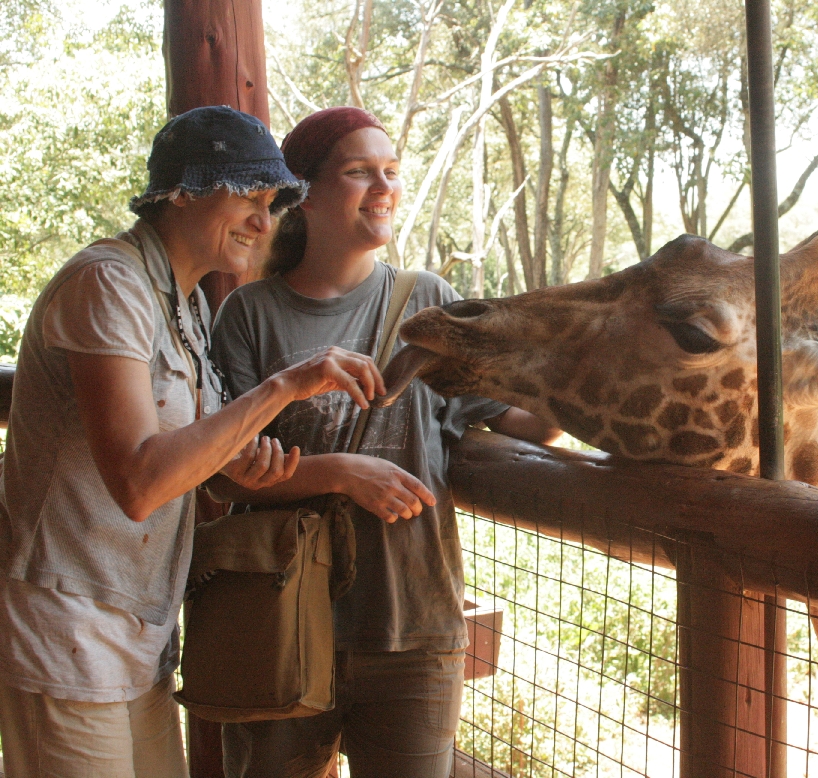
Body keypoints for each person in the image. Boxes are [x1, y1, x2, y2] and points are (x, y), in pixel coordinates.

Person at [0, 106, 389, 778]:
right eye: (248, 198)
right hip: (67, 631)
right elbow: (140, 483)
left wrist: (242, 466)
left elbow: (198, 461)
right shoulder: (108, 283)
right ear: (183, 192)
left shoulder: (186, 304)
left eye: (270, 205)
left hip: (142, 630)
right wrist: (285, 386)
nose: (264, 223)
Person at [209, 106, 559, 778]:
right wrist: (343, 473)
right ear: (305, 193)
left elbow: (523, 421)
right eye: (359, 172)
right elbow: (223, 473)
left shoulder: (427, 300)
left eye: (392, 171)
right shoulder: (249, 314)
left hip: (414, 628)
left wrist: (572, 365)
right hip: (276, 621)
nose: (384, 187)